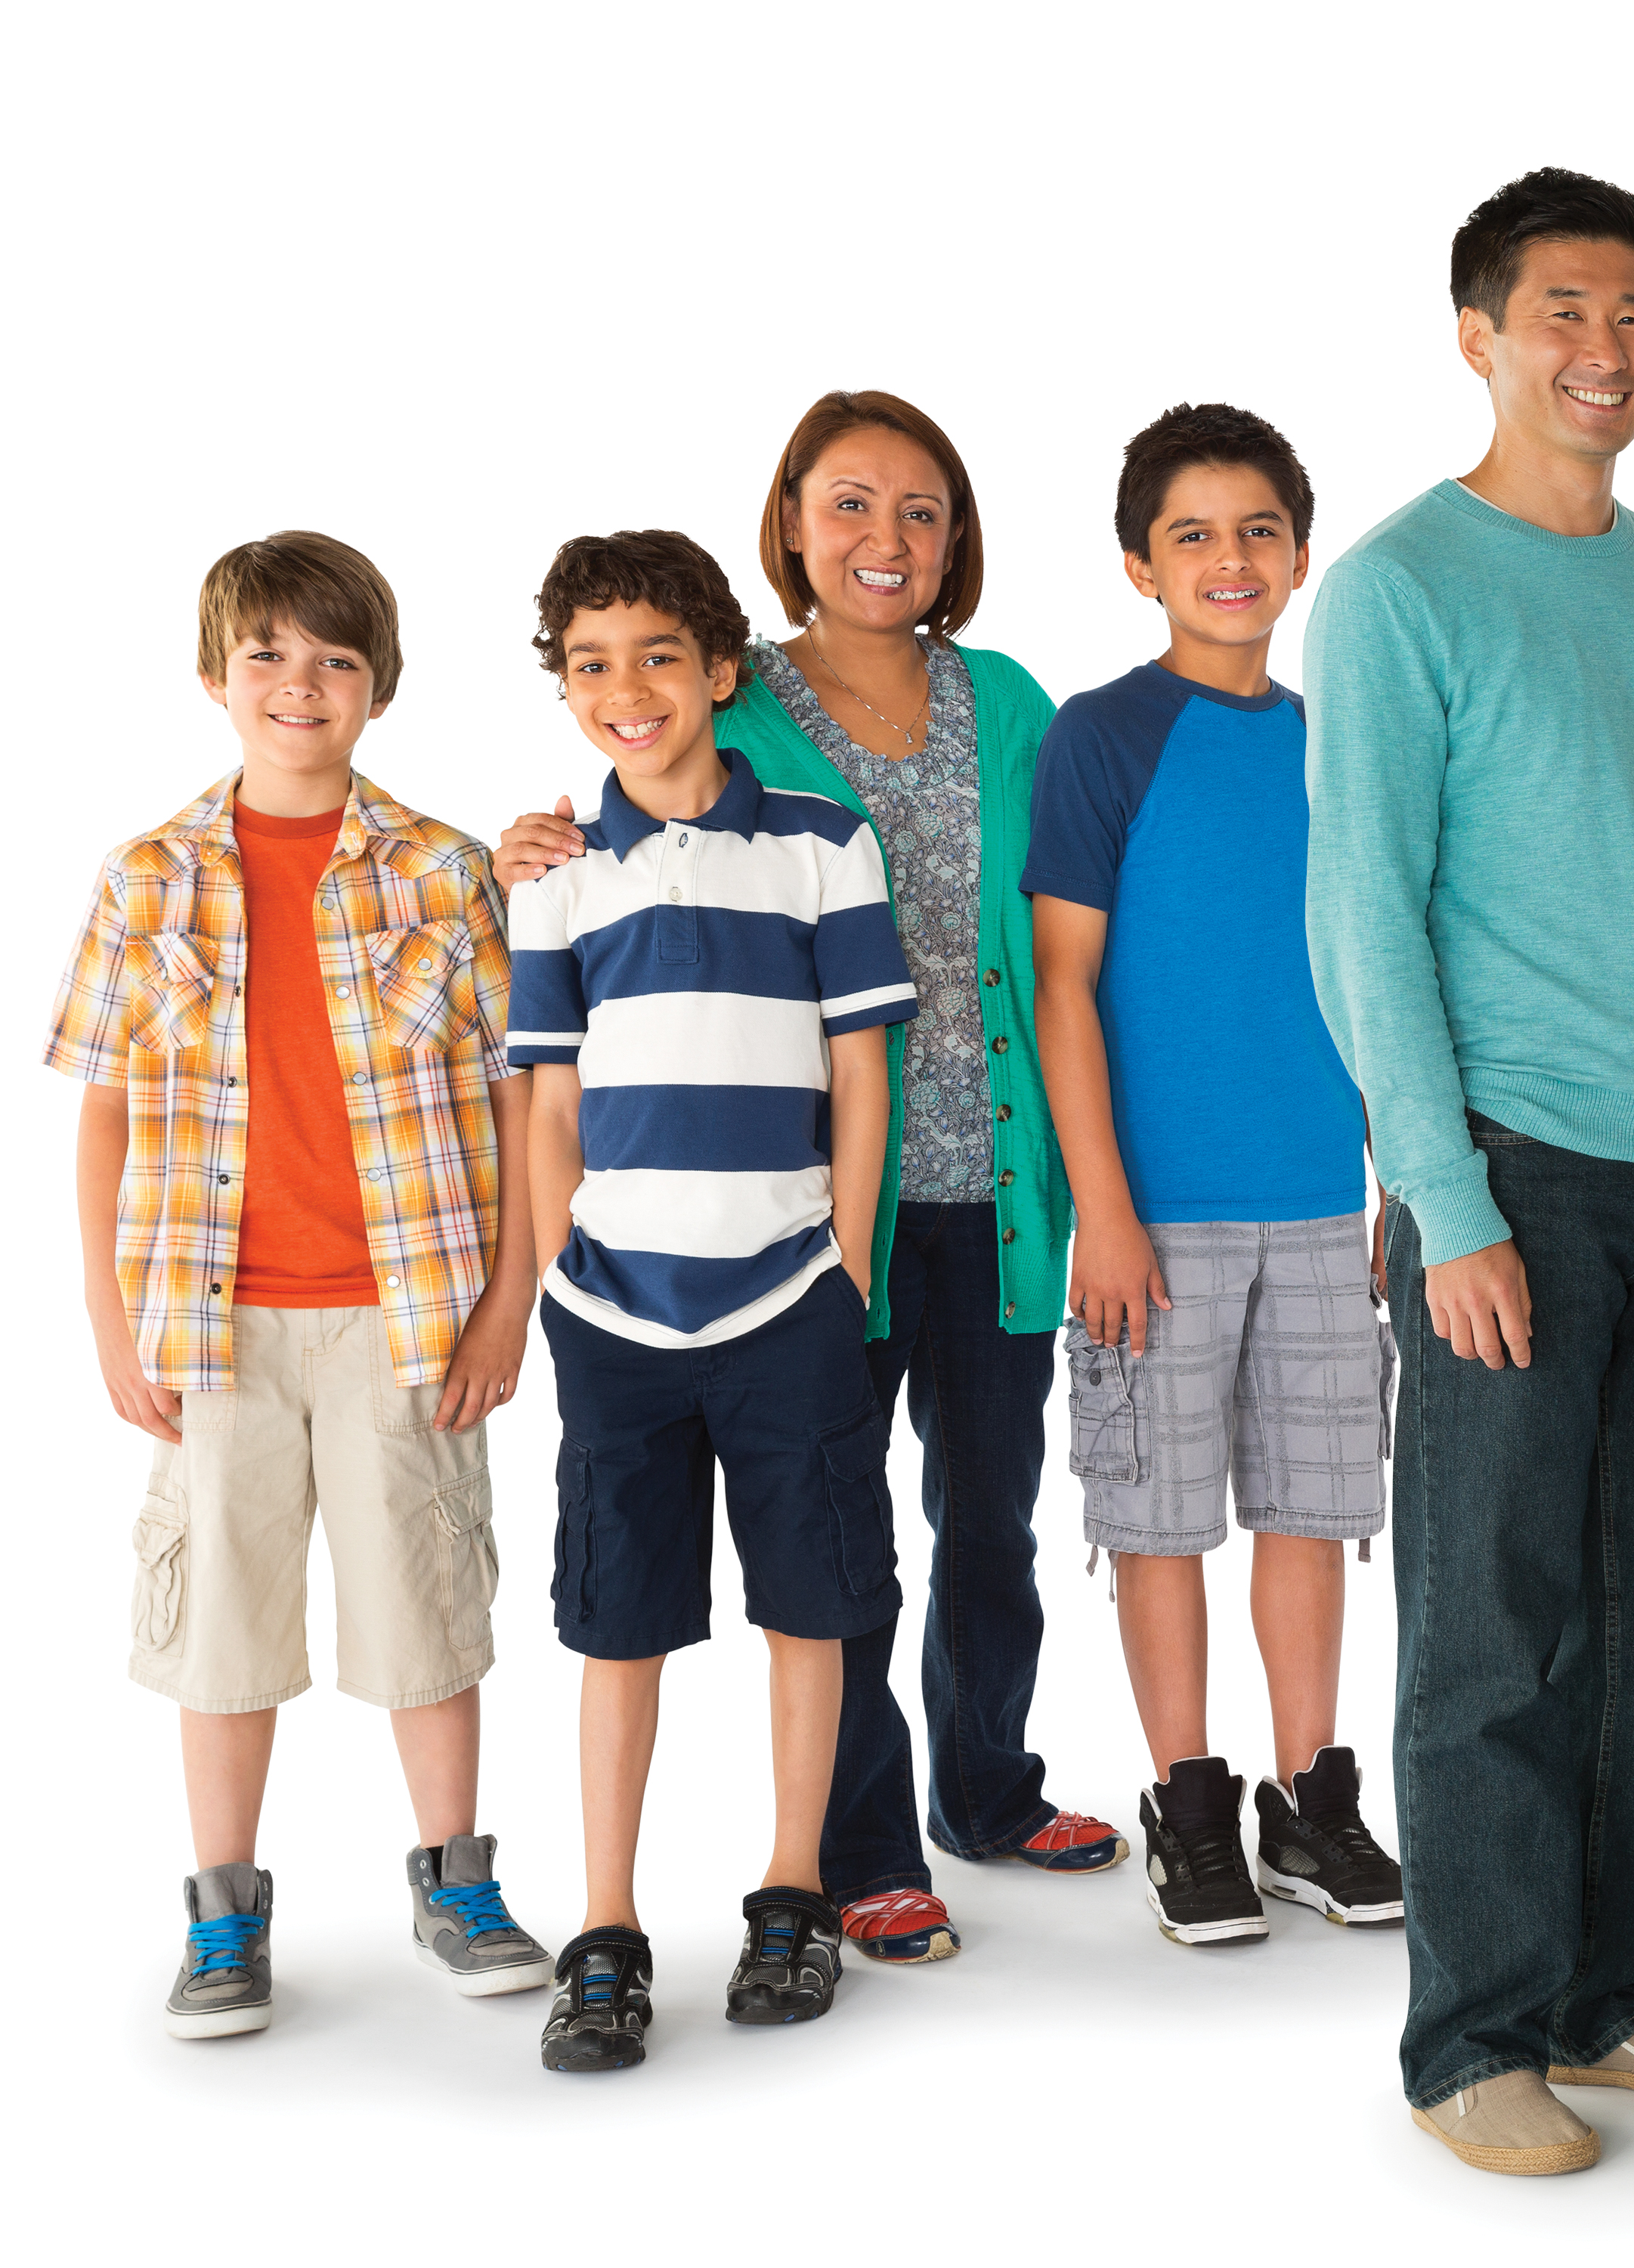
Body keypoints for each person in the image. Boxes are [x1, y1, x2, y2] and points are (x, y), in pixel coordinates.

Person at [1309, 164, 1634, 2177]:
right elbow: (1361, 910)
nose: (1603, 354)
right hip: (1518, 1171)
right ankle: (1473, 2035)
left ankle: (1606, 1993)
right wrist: (1449, 1199)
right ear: (1479, 335)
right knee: (1496, 1625)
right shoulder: (1403, 585)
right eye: (1564, 314)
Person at [499, 392, 1110, 1968]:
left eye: (920, 510)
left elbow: (1074, 936)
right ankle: (863, 1850)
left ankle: (990, 1786)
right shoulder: (720, 686)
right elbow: (621, 828)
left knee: (993, 1522)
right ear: (789, 526)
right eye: (849, 504)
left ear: (957, 537)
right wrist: (502, 852)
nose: (884, 539)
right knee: (842, 1551)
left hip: (1003, 1183)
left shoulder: (1012, 699)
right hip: (802, 1213)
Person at [61, 534, 544, 2039]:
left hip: (408, 1313)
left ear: (377, 690)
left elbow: (528, 1098)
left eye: (335, 659)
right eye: (267, 653)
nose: (299, 683)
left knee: (424, 1610)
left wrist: (508, 1298)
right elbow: (108, 1105)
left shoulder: (445, 871)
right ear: (217, 677)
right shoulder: (150, 876)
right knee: (225, 1625)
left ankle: (455, 1880)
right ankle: (223, 1909)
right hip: (214, 1326)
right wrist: (108, 1320)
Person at [502, 530, 913, 2070]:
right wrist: (561, 1276)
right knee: (621, 1622)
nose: (628, 690)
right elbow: (547, 1102)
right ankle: (605, 1928)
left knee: (812, 1610)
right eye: (593, 665)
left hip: (788, 1296)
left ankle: (793, 1894)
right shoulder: (556, 873)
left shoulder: (817, 838)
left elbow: (860, 1067)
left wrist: (847, 1268)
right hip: (614, 1315)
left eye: (660, 657)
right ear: (566, 689)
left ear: (721, 672)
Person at [1023, 403, 1403, 1950]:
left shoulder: (1336, 741)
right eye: (1193, 535)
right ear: (1140, 566)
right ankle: (1189, 1799)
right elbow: (1062, 986)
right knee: (1164, 1516)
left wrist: (1398, 1173)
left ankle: (1309, 1801)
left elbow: (1378, 969)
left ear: (1300, 555)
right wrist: (1101, 1209)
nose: (1230, 558)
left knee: (1311, 1509)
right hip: (1157, 1211)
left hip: (1322, 1194)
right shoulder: (1104, 735)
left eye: (1257, 531)